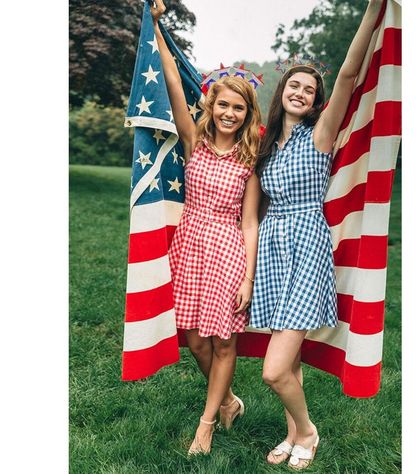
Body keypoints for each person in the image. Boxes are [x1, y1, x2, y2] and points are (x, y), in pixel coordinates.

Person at [250, 0, 384, 470]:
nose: (301, 93)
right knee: (292, 363)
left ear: (315, 99)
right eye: (294, 85)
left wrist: (371, 11)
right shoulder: (266, 145)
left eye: (309, 89)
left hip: (307, 245)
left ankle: (308, 430)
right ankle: (292, 436)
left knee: (272, 370)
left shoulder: (319, 135)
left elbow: (347, 76)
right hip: (272, 249)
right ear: (281, 90)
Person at [149, 1, 261, 455]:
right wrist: (157, 26)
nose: (229, 113)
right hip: (191, 244)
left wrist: (249, 277)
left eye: (238, 108)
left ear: (247, 113)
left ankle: (207, 423)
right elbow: (174, 83)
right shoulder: (194, 141)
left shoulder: (249, 159)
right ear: (212, 105)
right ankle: (230, 400)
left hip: (229, 249)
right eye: (223, 105)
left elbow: (250, 221)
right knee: (195, 338)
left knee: (225, 340)